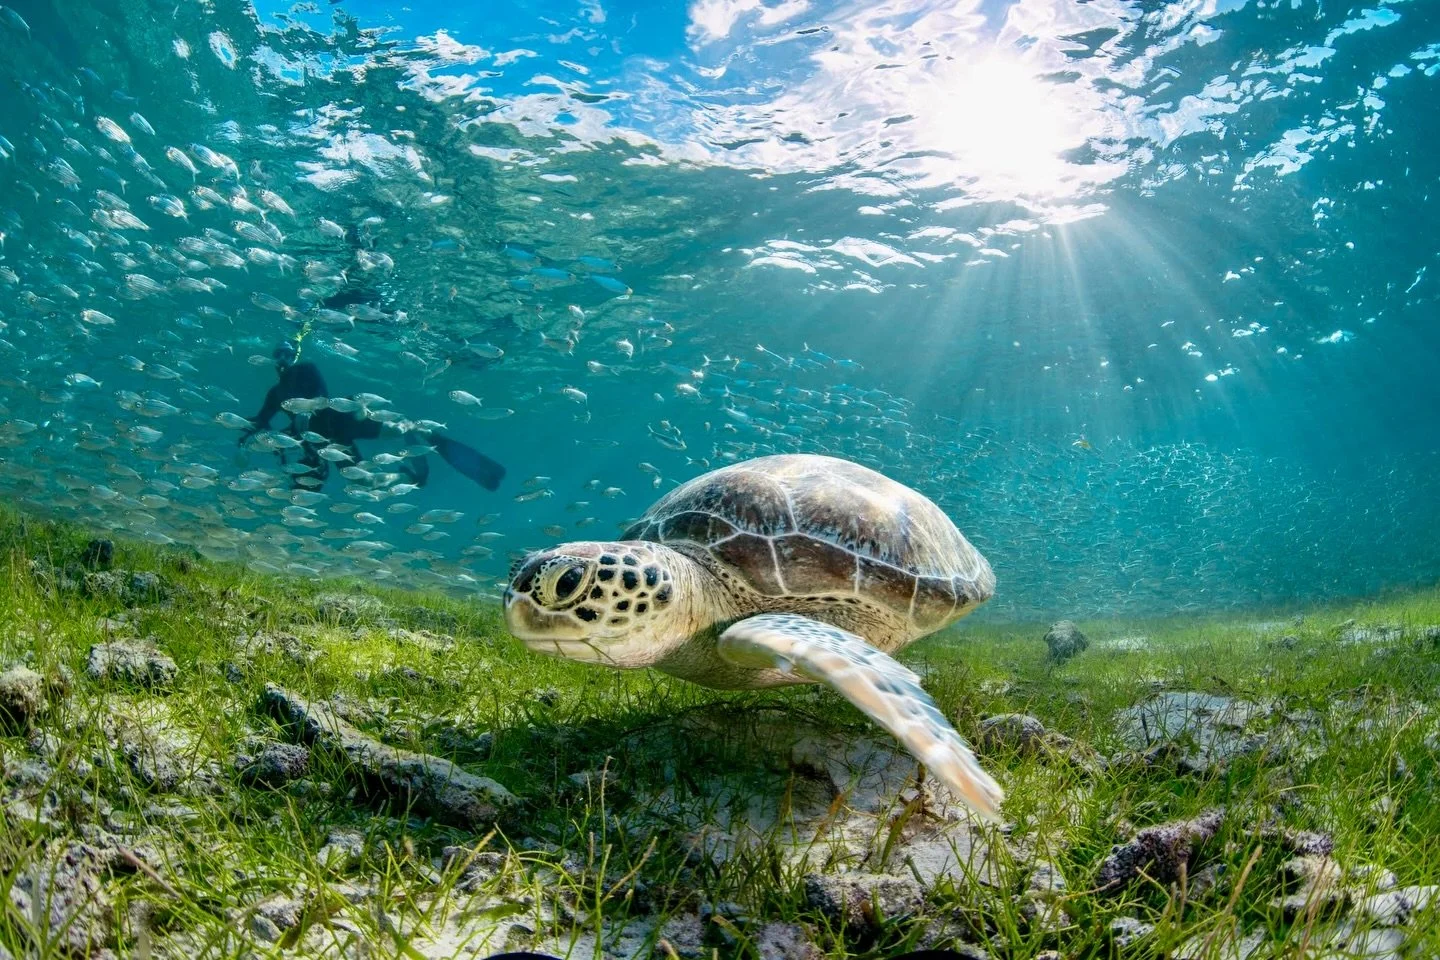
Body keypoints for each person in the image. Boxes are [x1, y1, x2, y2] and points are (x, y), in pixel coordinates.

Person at [239, 339, 505, 491]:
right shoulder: (275, 394)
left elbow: (321, 393)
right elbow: (261, 419)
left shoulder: (306, 369)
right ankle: (411, 478)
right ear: (273, 360)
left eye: (287, 354)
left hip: (345, 420)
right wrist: (246, 432)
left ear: (294, 354)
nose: (283, 359)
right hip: (328, 441)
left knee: (402, 430)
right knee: (362, 480)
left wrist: (307, 409)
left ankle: (424, 433)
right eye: (278, 355)